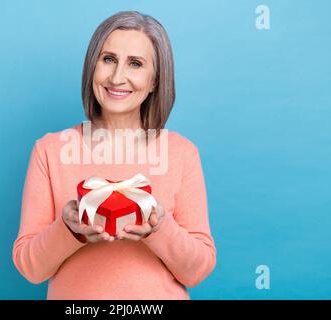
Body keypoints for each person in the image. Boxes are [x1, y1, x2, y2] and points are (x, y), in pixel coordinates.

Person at [12, 10, 216, 300]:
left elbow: (198, 271)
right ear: (92, 67)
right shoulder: (50, 150)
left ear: (155, 80)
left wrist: (159, 228)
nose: (117, 77)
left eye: (135, 64)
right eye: (108, 59)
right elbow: (30, 268)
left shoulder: (181, 153)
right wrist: (69, 230)